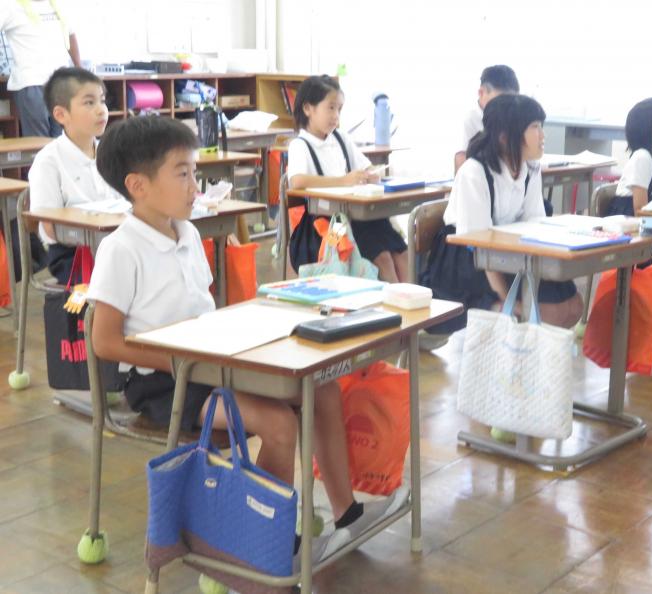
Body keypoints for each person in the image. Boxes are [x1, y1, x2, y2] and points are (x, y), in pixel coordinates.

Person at [89, 116, 408, 565]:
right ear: (138, 185)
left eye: (194, 172)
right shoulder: (121, 249)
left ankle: (346, 512)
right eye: (182, 174)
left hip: (212, 364)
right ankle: (265, 539)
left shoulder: (187, 232)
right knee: (278, 424)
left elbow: (202, 311)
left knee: (322, 389)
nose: (195, 186)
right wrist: (185, 362)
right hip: (165, 383)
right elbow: (104, 342)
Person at [423, 93, 583, 331]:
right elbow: (477, 244)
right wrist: (506, 298)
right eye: (534, 127)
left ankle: (524, 341)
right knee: (548, 314)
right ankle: (509, 333)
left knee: (573, 306)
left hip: (510, 253)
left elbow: (535, 224)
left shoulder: (530, 168)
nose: (542, 135)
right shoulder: (474, 172)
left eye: (541, 126)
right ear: (505, 136)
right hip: (467, 262)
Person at [287, 74, 408, 282]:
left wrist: (371, 174)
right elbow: (297, 181)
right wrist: (344, 180)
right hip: (329, 225)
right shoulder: (300, 145)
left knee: (402, 253)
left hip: (360, 217)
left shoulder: (340, 138)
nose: (336, 116)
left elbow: (366, 166)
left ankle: (412, 299)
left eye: (339, 109)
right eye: (330, 108)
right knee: (383, 259)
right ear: (308, 109)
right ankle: (394, 301)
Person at [28, 67, 125, 284]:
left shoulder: (112, 153)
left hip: (117, 244)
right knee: (117, 283)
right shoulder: (48, 161)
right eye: (89, 103)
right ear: (61, 115)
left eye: (102, 100)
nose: (101, 110)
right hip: (73, 253)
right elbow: (49, 227)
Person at [0, 0, 80, 137]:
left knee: (62, 140)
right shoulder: (9, 5)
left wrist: (80, 70)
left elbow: (71, 34)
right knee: (38, 142)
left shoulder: (59, 4)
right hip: (31, 83)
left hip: (61, 84)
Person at [454, 64, 520, 173]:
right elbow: (461, 158)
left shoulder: (515, 116)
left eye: (511, 102)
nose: (505, 107)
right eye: (500, 101)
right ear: (481, 93)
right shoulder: (471, 118)